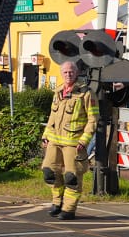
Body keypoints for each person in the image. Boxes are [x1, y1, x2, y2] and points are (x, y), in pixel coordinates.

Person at [39, 60, 97, 220]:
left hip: (74, 143)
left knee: (72, 177)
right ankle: (57, 203)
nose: (68, 74)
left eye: (71, 71)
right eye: (65, 72)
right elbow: (52, 116)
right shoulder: (58, 92)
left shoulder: (86, 93)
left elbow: (93, 119)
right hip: (54, 141)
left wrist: (84, 141)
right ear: (61, 73)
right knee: (49, 172)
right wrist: (45, 135)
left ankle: (69, 209)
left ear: (77, 73)